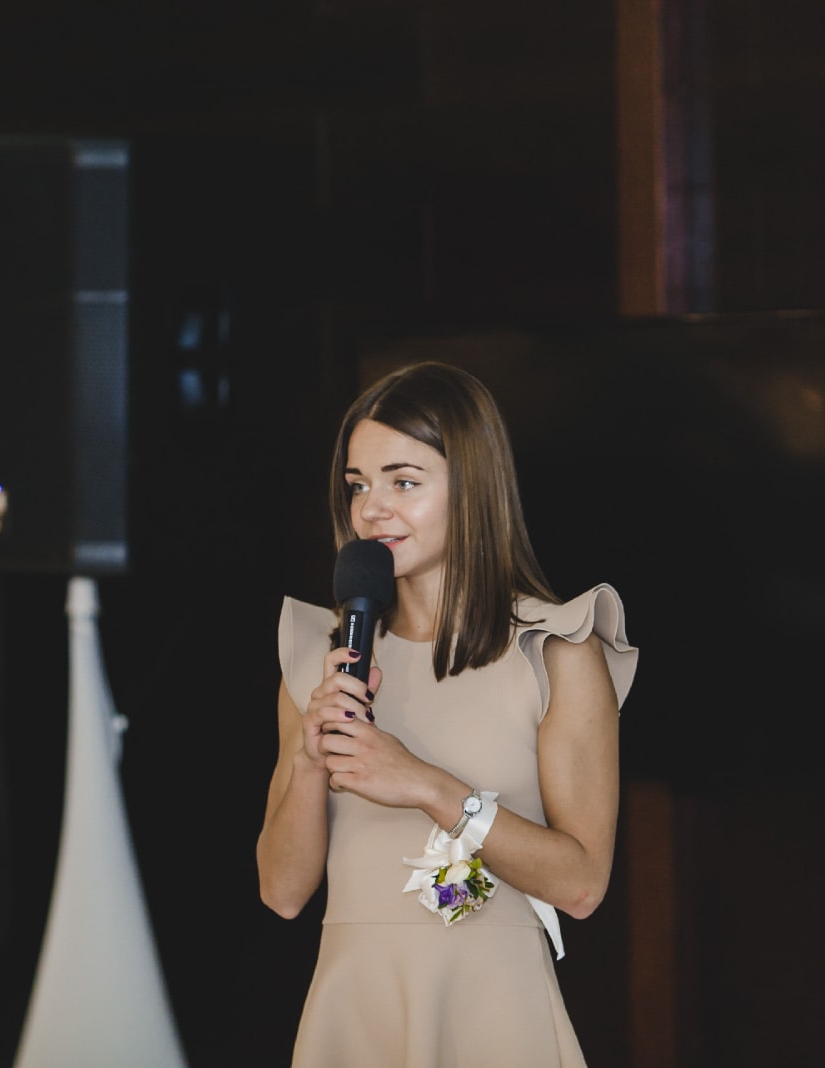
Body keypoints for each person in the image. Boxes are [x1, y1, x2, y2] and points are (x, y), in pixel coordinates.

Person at [256, 361, 638, 1067]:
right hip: (356, 1015)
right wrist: (311, 760)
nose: (371, 510)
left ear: (473, 488)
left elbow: (583, 884)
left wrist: (428, 786)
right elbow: (281, 893)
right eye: (358, 486)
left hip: (495, 1014)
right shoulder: (323, 662)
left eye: (403, 481)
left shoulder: (553, 653)